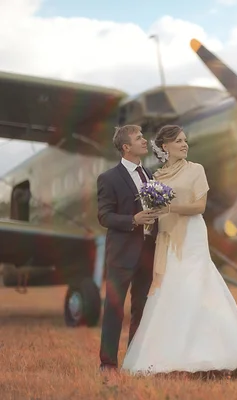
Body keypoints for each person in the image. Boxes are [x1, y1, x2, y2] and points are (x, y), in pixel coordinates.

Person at [121, 125, 237, 380]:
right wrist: (149, 217)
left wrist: (170, 208)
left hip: (192, 236)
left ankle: (221, 356)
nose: (184, 144)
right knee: (171, 290)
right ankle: (170, 358)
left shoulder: (196, 170)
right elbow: (155, 215)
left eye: (185, 140)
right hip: (167, 238)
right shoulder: (156, 178)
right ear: (164, 147)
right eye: (178, 141)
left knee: (198, 287)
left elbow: (199, 206)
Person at [97, 125, 162, 372]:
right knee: (114, 310)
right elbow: (104, 216)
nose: (145, 141)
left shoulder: (151, 175)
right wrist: (133, 220)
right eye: (139, 138)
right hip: (122, 254)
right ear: (126, 147)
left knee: (142, 310)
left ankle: (134, 362)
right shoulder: (108, 178)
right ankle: (108, 364)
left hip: (148, 251)